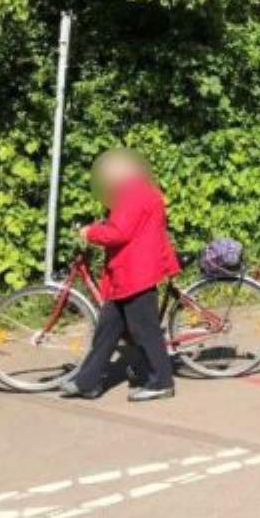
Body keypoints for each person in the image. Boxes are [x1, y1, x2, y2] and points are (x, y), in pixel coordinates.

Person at [60, 149, 180, 402]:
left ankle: (161, 382)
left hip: (136, 273)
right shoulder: (140, 190)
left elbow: (119, 232)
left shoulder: (133, 193)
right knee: (107, 330)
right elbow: (127, 227)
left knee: (144, 330)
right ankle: (87, 382)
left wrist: (90, 232)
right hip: (127, 273)